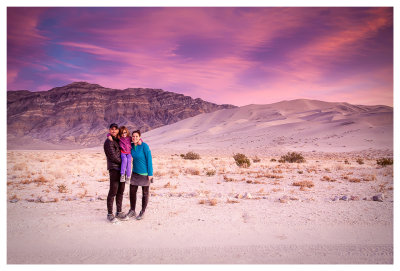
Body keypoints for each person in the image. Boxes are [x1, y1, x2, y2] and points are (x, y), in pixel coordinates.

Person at [103, 123, 129, 223]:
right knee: (113, 191)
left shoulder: (118, 140)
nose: (114, 131)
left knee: (120, 191)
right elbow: (112, 156)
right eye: (112, 129)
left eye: (115, 129)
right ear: (109, 130)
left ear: (118, 130)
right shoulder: (108, 142)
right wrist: (124, 163)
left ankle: (119, 212)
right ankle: (110, 214)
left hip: (122, 170)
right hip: (114, 169)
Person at [126, 130, 153, 220]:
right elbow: (123, 140)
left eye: (136, 136)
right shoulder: (131, 146)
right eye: (133, 136)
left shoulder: (144, 146)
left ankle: (142, 212)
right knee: (132, 191)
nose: (134, 138)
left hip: (145, 173)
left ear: (140, 137)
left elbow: (149, 160)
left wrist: (150, 173)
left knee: (145, 193)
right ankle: (132, 210)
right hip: (135, 173)